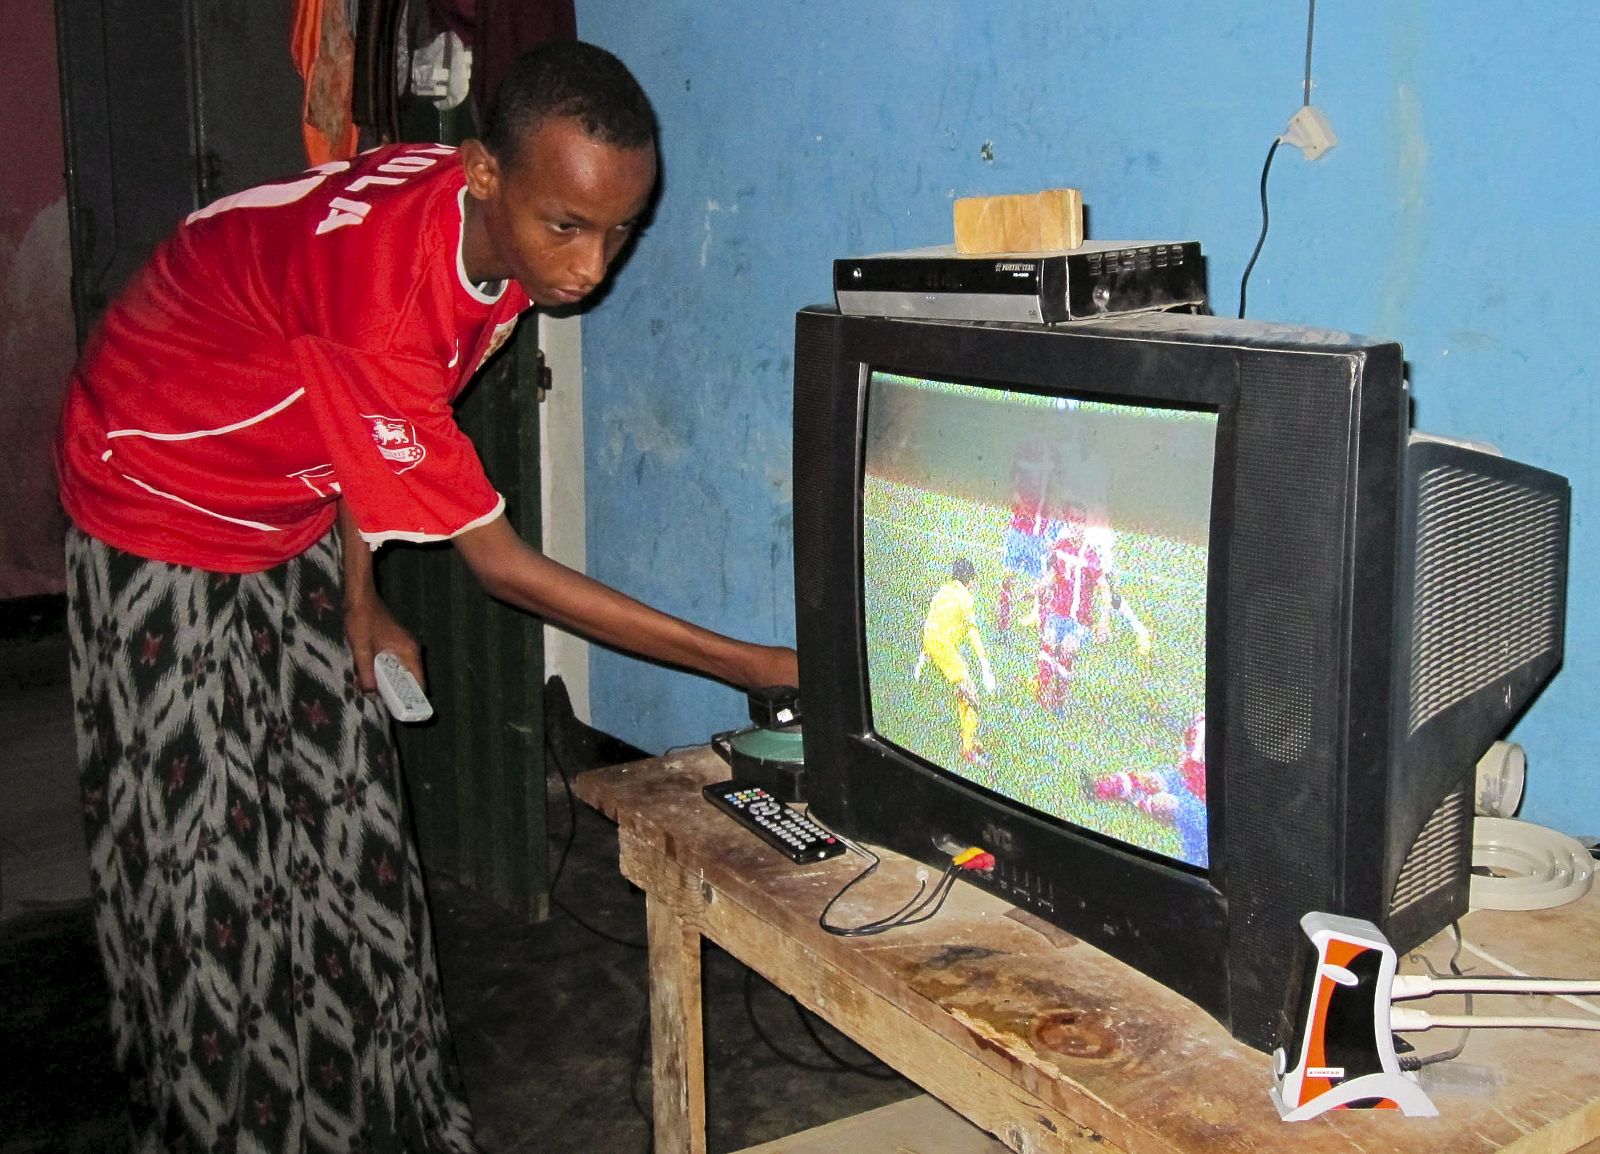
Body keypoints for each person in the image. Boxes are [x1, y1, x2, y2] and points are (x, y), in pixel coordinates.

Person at [53, 41, 795, 1154]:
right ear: (485, 172)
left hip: (285, 498)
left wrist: (359, 591)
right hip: (151, 490)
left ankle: (370, 1115)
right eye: (568, 226)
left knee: (342, 826)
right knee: (203, 859)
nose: (592, 269)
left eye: (618, 232)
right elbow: (500, 565)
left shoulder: (482, 232)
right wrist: (756, 666)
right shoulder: (392, 290)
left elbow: (351, 408)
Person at [913, 557, 997, 767]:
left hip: (933, 644)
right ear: (970, 579)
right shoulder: (966, 599)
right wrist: (985, 666)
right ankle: (968, 749)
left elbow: (930, 622)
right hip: (945, 651)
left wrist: (923, 657)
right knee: (973, 699)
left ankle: (968, 739)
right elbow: (972, 631)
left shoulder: (942, 591)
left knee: (963, 694)